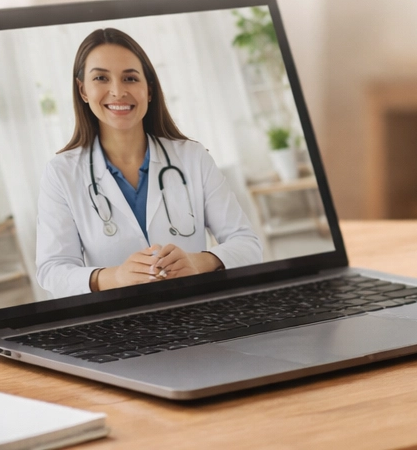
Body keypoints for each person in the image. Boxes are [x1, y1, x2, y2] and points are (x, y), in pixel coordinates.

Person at [35, 27, 262, 299]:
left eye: (130, 78)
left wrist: (198, 262)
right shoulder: (61, 174)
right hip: (118, 324)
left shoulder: (192, 157)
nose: (117, 91)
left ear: (149, 90)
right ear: (83, 90)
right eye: (101, 78)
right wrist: (114, 277)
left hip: (196, 310)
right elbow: (52, 270)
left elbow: (247, 244)